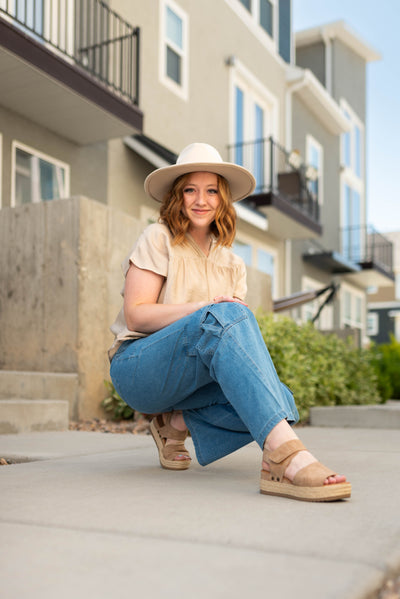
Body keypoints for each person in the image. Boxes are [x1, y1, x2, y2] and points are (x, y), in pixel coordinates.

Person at [109, 143, 351, 502]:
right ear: (177, 196)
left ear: (223, 199)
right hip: (139, 368)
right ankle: (286, 456)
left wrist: (219, 314)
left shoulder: (233, 264)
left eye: (211, 191)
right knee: (226, 317)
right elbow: (137, 314)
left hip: (191, 380)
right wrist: (204, 307)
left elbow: (231, 342)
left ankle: (175, 424)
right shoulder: (158, 237)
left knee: (281, 400)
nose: (201, 200)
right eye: (190, 189)